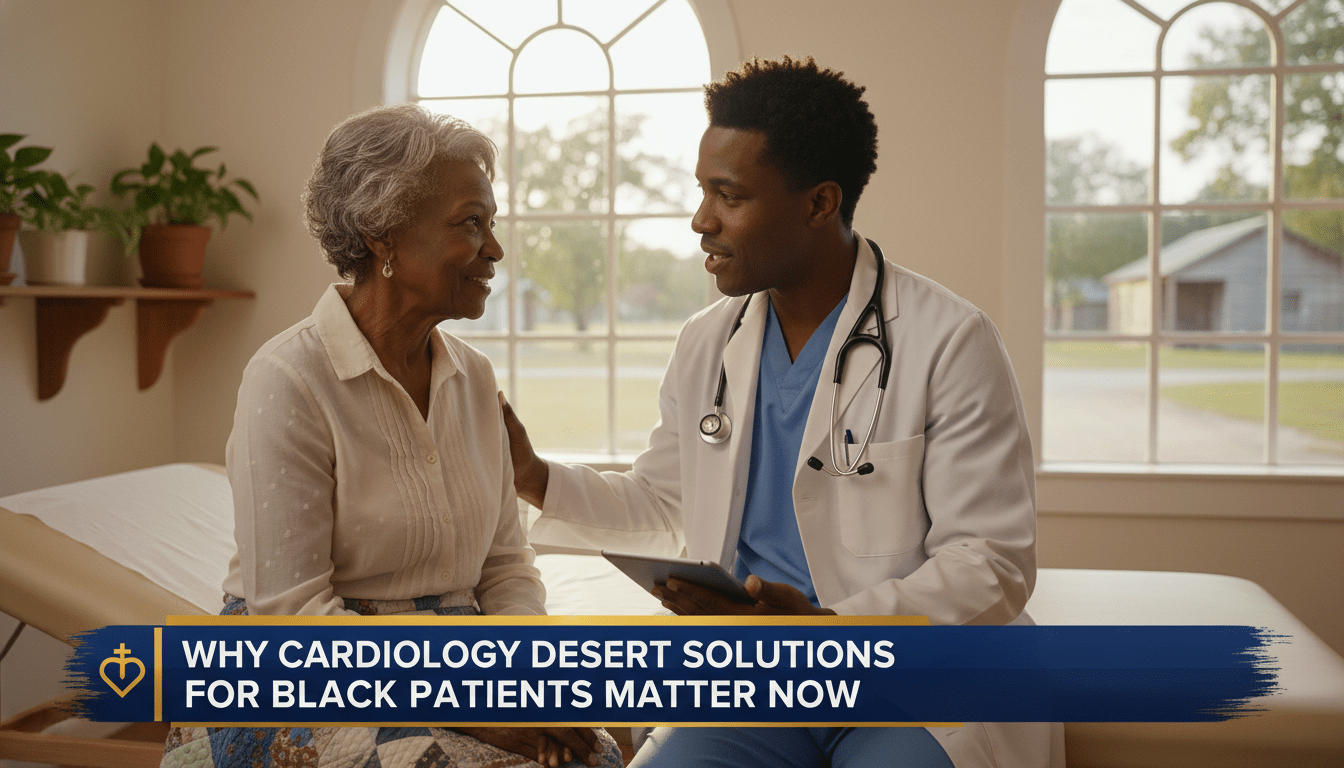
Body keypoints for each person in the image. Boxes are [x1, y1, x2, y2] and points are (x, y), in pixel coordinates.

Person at [501, 58, 1062, 768]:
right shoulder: (709, 341)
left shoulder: (950, 339)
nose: (701, 220)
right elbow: (666, 499)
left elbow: (992, 563)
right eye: (702, 191)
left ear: (819, 203)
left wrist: (829, 629)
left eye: (728, 196)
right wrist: (534, 476)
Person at [160, 104, 621, 768]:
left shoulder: (472, 377)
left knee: (588, 755)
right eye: (470, 224)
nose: (493, 250)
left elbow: (505, 569)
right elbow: (292, 612)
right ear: (384, 237)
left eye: (491, 225)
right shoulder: (287, 378)